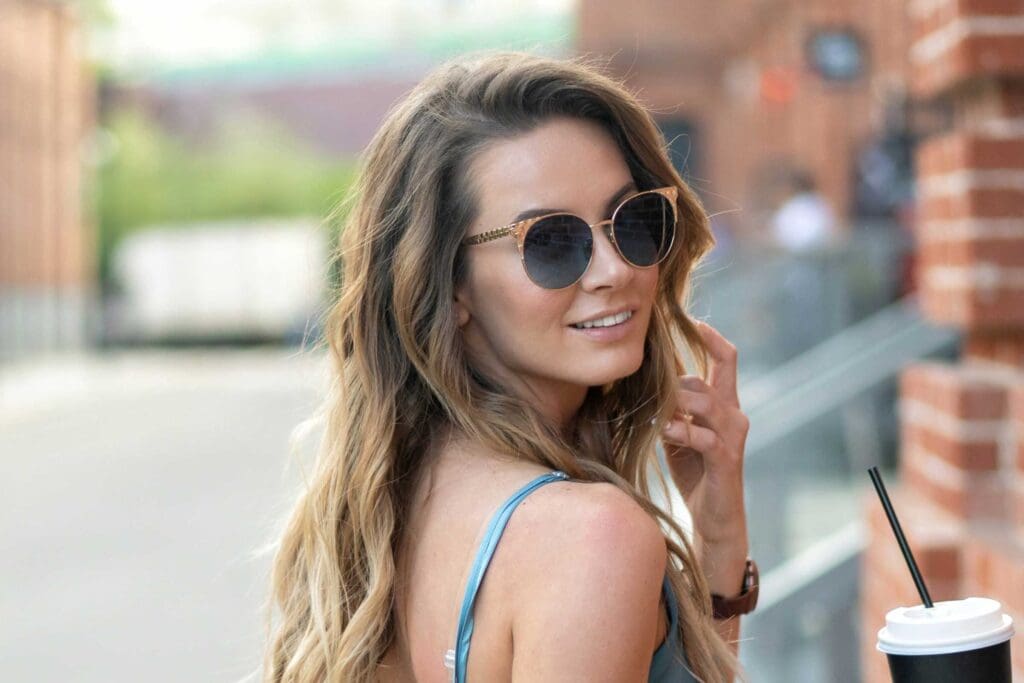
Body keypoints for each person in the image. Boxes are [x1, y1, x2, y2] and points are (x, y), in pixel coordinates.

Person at [262, 51, 754, 683]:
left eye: (633, 220)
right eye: (551, 241)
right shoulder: (591, 537)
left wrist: (717, 539)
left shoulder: (386, 501)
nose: (615, 270)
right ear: (451, 286)